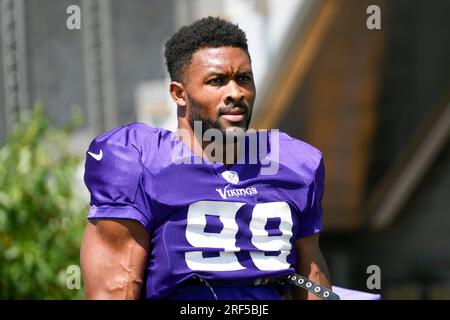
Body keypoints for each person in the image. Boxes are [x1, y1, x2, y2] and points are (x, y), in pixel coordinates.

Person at [80, 16, 334, 300]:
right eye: (217, 81)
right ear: (179, 94)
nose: (235, 93)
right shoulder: (138, 161)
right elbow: (116, 287)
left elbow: (311, 275)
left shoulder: (293, 165)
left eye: (243, 79)